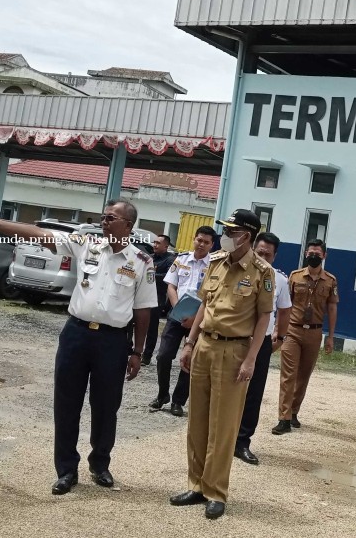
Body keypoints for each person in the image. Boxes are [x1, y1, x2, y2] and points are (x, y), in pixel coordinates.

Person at [0, 199, 157, 494]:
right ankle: (66, 470)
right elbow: (40, 234)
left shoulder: (142, 262)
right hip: (76, 334)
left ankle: (100, 464)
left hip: (112, 341)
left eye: (111, 218)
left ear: (128, 225)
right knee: (67, 403)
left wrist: (138, 351)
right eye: (103, 217)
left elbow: (144, 310)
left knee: (106, 406)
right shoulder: (87, 244)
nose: (104, 222)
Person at [169, 209, 274, 520]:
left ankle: (216, 492)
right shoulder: (215, 262)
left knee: (223, 425)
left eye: (232, 231)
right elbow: (204, 304)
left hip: (235, 351)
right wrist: (189, 343)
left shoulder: (262, 271)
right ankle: (197, 485)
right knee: (197, 420)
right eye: (226, 230)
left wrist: (252, 359)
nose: (226, 235)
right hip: (204, 345)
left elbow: (264, 318)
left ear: (247, 235)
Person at [235, 231, 292, 464]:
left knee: (253, 394)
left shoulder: (279, 280)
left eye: (268, 254)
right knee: (228, 389)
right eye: (260, 252)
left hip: (262, 344)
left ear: (275, 256)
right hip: (235, 339)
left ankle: (242, 442)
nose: (263, 257)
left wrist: (280, 336)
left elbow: (285, 309)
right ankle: (221, 439)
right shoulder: (238, 271)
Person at [272, 239, 338, 435]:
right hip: (292, 330)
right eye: (311, 253)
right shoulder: (295, 277)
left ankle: (293, 412)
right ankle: (283, 418)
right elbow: (284, 305)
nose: (314, 256)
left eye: (318, 254)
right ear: (305, 254)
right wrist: (278, 328)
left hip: (315, 332)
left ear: (324, 256)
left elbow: (332, 307)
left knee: (303, 375)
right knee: (288, 374)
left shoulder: (330, 281)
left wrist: (331, 336)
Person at [149, 226, 216, 416]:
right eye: (199, 240)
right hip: (176, 316)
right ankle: (163, 395)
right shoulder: (181, 259)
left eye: (206, 242)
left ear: (211, 245)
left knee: (190, 360)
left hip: (199, 319)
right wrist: (178, 310)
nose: (201, 244)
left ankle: (178, 401)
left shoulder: (214, 265)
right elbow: (171, 285)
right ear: (194, 239)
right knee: (163, 355)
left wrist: (194, 318)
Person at [142, 235, 176, 365]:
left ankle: (147, 355)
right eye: (154, 242)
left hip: (156, 297)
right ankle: (130, 348)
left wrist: (150, 275)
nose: (155, 245)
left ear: (166, 246)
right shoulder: (148, 258)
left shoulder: (170, 260)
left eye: (158, 243)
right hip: (142, 295)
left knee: (151, 327)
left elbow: (167, 278)